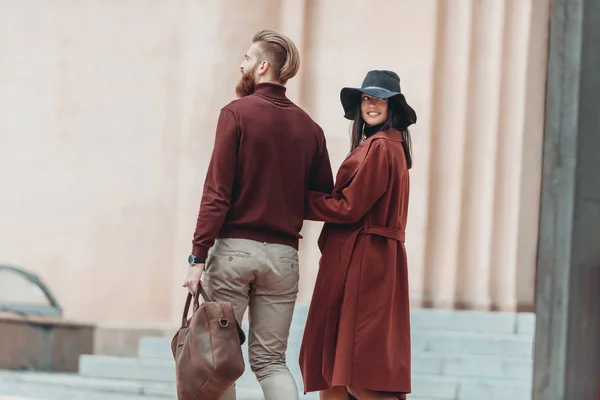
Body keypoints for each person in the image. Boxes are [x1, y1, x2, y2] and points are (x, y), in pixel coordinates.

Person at [182, 30, 334, 400]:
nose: (242, 64)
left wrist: (197, 257)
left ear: (263, 66)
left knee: (220, 361)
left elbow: (217, 193)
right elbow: (323, 196)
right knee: (271, 362)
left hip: (234, 251)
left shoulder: (236, 114)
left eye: (248, 59)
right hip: (283, 257)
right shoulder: (310, 129)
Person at [299, 70, 417, 400]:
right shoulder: (391, 147)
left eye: (380, 99)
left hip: (364, 260)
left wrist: (300, 199)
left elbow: (350, 208)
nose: (372, 104)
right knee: (342, 366)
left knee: (354, 366)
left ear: (392, 106)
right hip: (374, 257)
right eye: (367, 98)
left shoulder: (380, 147)